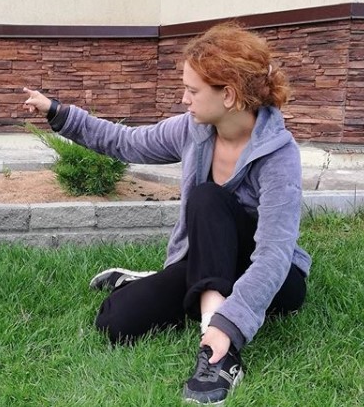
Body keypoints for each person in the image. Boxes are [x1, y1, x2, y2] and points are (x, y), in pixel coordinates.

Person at [23, 23, 311, 405]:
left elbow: (274, 255)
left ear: (228, 95)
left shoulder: (279, 156)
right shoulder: (192, 129)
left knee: (208, 198)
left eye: (192, 91)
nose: (184, 99)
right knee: (115, 322)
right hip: (209, 260)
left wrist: (226, 326)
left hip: (276, 280)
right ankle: (173, 287)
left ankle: (218, 355)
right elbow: (127, 143)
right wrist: (59, 113)